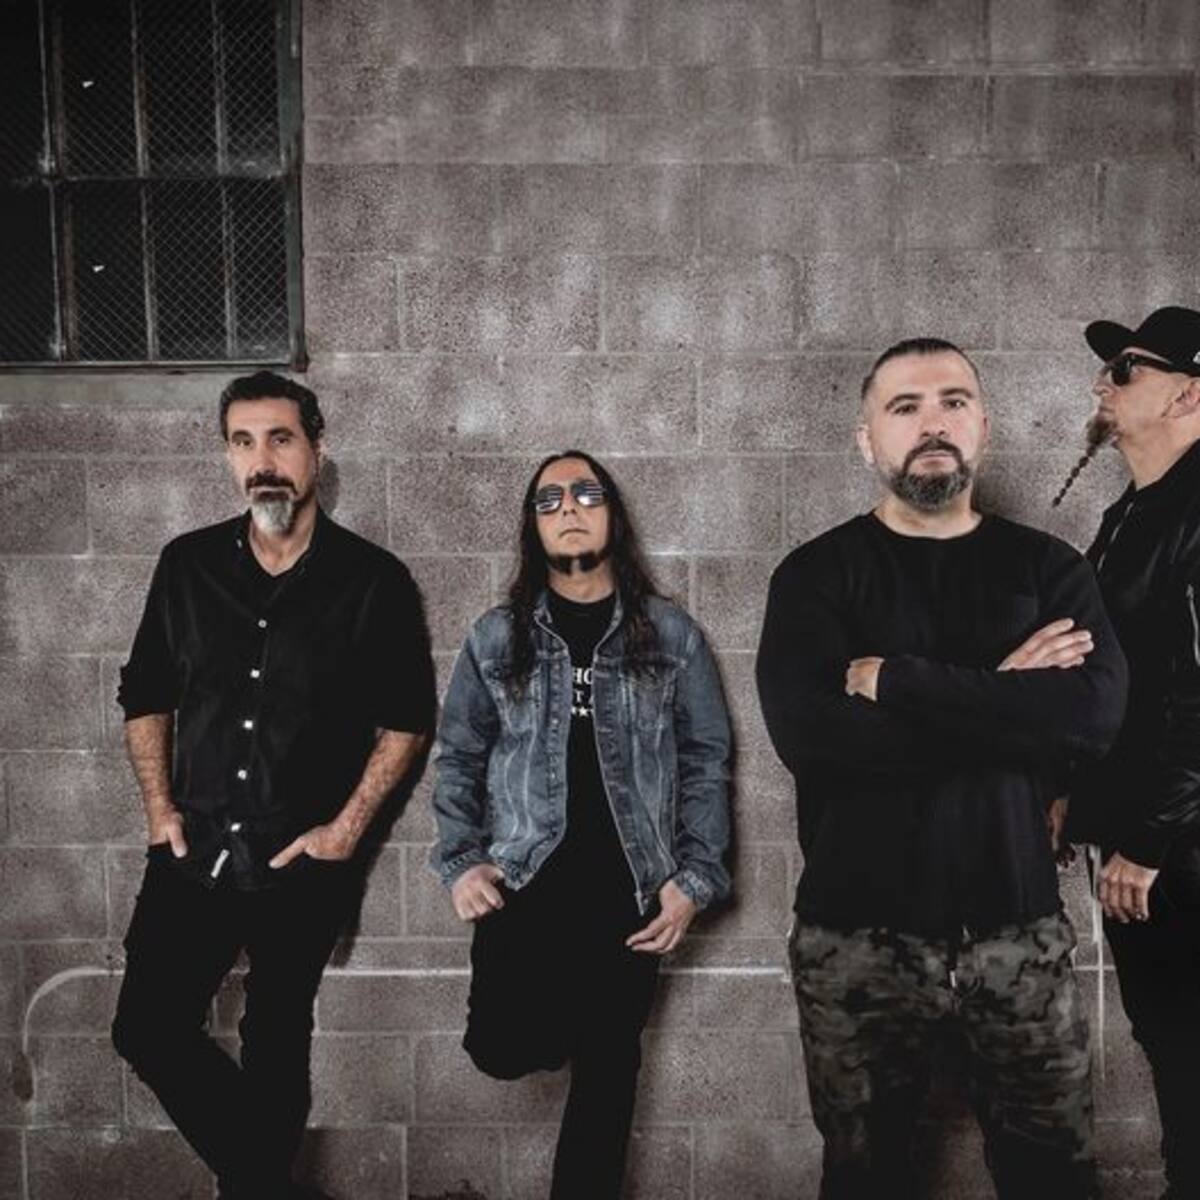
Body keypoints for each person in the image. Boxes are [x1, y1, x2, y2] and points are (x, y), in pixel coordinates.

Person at [755, 337, 1128, 1199]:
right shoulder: (814, 577)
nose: (933, 423)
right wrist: (1009, 692)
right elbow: (818, 742)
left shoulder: (1049, 569)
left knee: (1055, 1180)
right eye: (905, 407)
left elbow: (1093, 717)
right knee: (866, 1179)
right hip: (858, 940)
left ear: (983, 427)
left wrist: (900, 684)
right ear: (867, 439)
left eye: (954, 402)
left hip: (1019, 933)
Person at [110, 371, 436, 1200]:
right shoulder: (185, 566)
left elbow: (407, 719)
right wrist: (158, 809)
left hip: (302, 860)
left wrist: (345, 831)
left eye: (281, 439)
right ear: (227, 455)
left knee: (276, 1045)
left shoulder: (373, 580)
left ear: (317, 451)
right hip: (192, 851)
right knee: (145, 1028)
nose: (263, 460)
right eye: (244, 441)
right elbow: (145, 694)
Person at [431, 449, 731, 1200]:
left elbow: (706, 757)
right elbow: (458, 755)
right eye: (550, 500)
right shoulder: (496, 637)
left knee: (609, 1070)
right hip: (524, 883)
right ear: (533, 527)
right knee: (498, 1049)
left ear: (613, 516)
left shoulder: (671, 635)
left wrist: (694, 880)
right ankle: (570, 1007)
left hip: (630, 891)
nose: (568, 508)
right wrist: (461, 861)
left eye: (586, 494)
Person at [1062, 306, 1200, 1200]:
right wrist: (1071, 800)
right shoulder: (1131, 515)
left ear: (1189, 393)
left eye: (1126, 371)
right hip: (1144, 848)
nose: (1102, 384)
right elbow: (1118, 683)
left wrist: (1149, 839)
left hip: (1175, 849)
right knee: (1177, 1054)